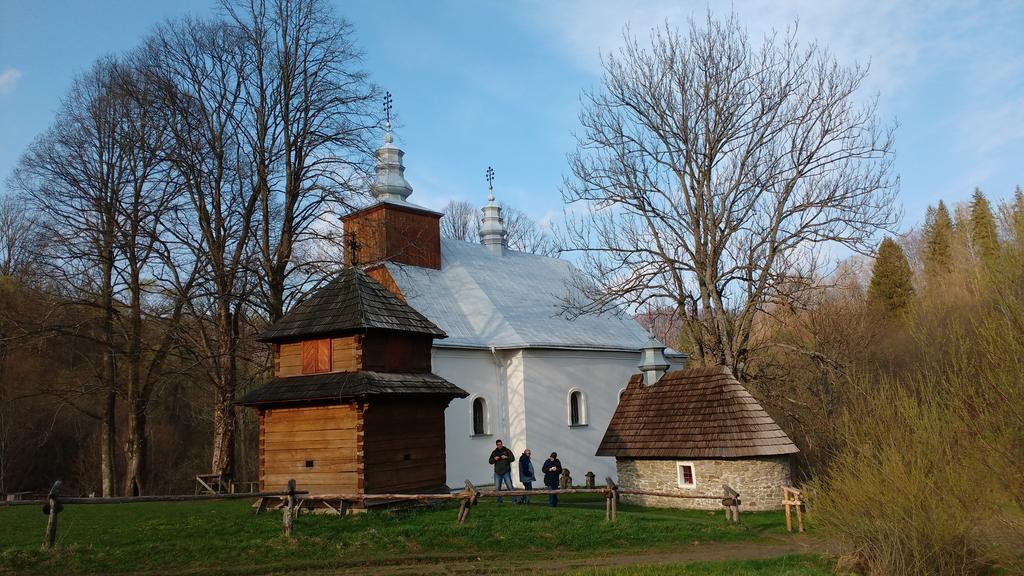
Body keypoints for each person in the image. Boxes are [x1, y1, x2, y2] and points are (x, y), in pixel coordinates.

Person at [488, 439, 515, 503]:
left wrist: (506, 457)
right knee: (497, 488)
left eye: (500, 444)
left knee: (510, 487)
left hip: (506, 472)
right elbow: (490, 461)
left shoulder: (507, 450)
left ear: (502, 444)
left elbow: (512, 459)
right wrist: (494, 459)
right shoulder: (494, 452)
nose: (500, 445)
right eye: (498, 444)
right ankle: (499, 502)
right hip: (497, 473)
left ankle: (514, 501)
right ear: (496, 445)